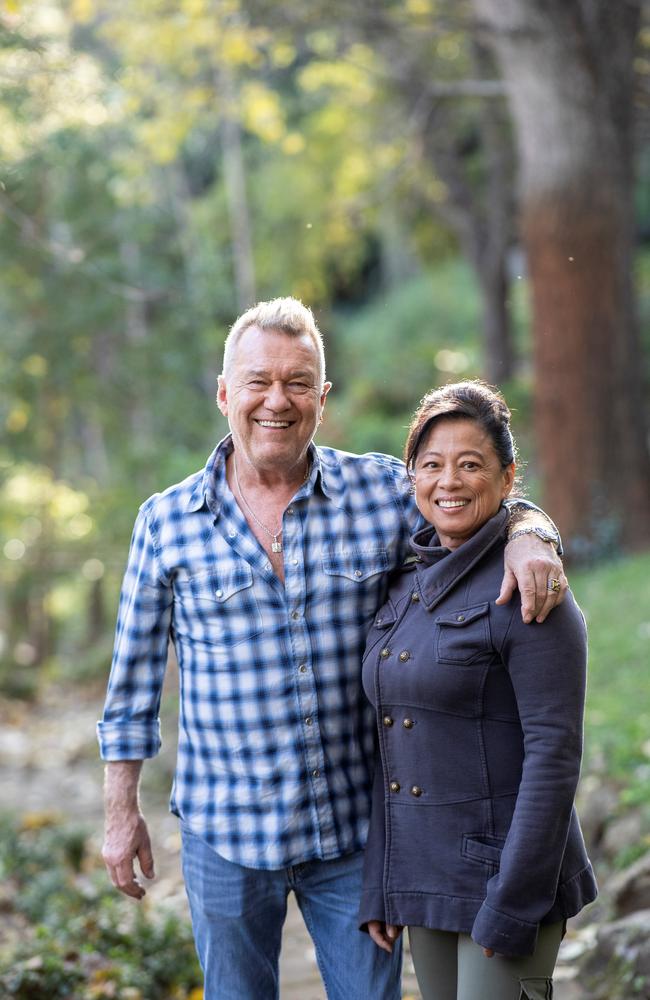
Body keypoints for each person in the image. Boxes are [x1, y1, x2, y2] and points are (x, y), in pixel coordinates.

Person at [98, 298, 567, 1000]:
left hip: (353, 835)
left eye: (298, 382)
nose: (276, 401)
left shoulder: (381, 490)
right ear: (226, 392)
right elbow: (132, 683)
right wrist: (121, 810)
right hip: (223, 834)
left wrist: (534, 533)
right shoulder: (166, 522)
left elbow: (477, 499)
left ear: (322, 397)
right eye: (258, 381)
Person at [359, 381, 597, 1000]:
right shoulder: (407, 584)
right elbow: (391, 744)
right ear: (412, 477)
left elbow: (555, 756)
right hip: (427, 876)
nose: (449, 482)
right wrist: (384, 884)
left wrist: (515, 901)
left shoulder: (531, 588)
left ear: (508, 476)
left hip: (505, 880)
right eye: (432, 465)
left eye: (471, 465)